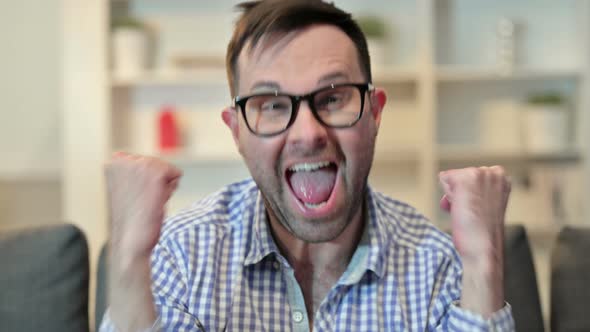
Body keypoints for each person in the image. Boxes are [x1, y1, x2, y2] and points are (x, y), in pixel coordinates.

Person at [100, 1, 514, 331]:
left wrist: (484, 262)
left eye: (333, 98)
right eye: (273, 105)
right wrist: (127, 263)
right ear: (237, 131)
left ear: (374, 113)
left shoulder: (435, 265)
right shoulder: (183, 257)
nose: (307, 134)